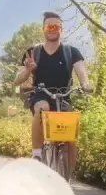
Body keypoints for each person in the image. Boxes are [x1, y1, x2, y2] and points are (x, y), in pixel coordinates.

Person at [14, 11, 93, 162]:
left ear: (61, 29)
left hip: (64, 97)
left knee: (70, 139)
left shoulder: (71, 52)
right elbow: (17, 80)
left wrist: (86, 85)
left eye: (56, 27)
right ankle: (37, 154)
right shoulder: (32, 52)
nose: (52, 29)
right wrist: (28, 69)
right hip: (40, 94)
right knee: (42, 107)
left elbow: (82, 74)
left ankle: (67, 178)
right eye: (49, 27)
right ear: (43, 29)